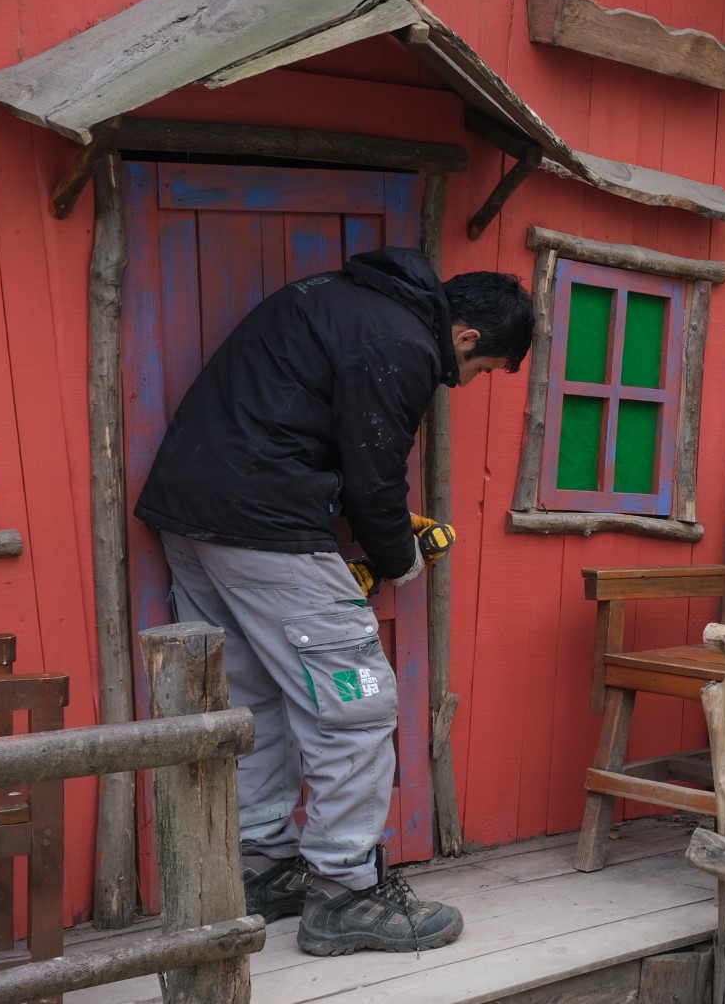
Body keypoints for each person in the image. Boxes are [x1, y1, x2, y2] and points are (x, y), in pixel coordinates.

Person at [135, 247, 532, 956]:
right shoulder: (404, 342)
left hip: (193, 515)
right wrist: (399, 560)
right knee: (357, 706)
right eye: (477, 371)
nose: (464, 384)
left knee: (254, 695)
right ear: (466, 336)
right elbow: (375, 477)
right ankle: (345, 893)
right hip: (265, 526)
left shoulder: (335, 298)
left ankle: (266, 867)